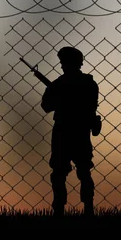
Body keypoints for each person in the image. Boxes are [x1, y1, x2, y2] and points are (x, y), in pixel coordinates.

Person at [41, 46, 100, 217]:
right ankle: (86, 209)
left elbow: (46, 106)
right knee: (81, 171)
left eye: (63, 62)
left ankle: (62, 209)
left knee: (62, 173)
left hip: (65, 132)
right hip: (79, 132)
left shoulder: (60, 84)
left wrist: (57, 95)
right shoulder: (89, 83)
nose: (61, 66)